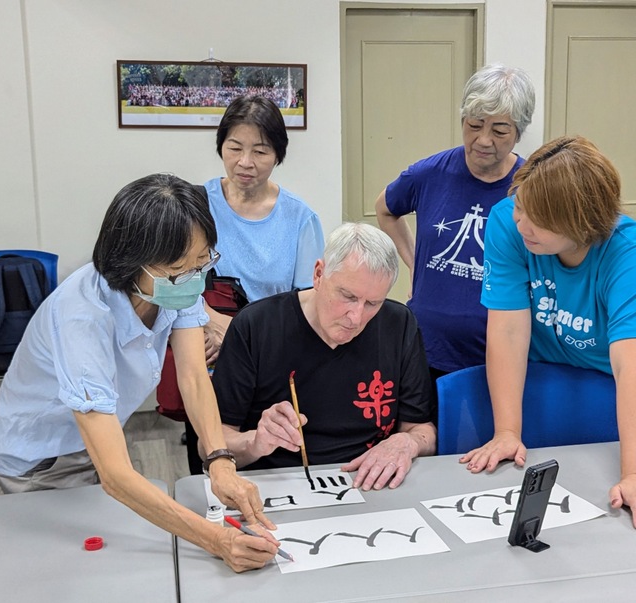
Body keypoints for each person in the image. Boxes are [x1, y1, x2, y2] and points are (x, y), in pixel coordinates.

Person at [0, 173, 280, 571]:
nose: (193, 279)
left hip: (91, 441)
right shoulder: (81, 316)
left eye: (202, 262)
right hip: (40, 461)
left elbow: (194, 377)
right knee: (71, 572)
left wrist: (220, 461)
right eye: (177, 268)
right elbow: (116, 476)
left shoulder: (173, 288)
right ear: (130, 262)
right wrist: (217, 540)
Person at [460, 136, 636, 527]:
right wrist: (507, 431)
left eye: (536, 217)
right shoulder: (508, 223)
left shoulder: (627, 252)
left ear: (581, 221)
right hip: (541, 377)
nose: (520, 222)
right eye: (519, 205)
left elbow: (630, 365)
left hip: (610, 388)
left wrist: (633, 474)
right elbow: (507, 332)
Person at [211, 222, 436, 490]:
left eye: (372, 303)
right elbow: (212, 443)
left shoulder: (398, 324)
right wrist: (255, 442)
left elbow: (422, 430)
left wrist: (407, 442)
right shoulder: (257, 326)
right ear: (319, 274)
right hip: (278, 483)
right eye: (348, 296)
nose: (356, 318)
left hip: (369, 482)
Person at [375, 64, 536, 409]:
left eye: (499, 130)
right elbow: (385, 209)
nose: (483, 140)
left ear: (519, 132)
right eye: (474, 125)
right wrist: (415, 264)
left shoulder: (533, 186)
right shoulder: (430, 173)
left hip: (500, 358)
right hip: (427, 351)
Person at [180, 94, 325, 474]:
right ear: (221, 147)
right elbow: (173, 278)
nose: (245, 162)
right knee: (207, 464)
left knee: (268, 462)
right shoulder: (194, 205)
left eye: (260, 151)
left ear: (278, 154)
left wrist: (237, 335)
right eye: (235, 148)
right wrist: (207, 320)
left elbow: (307, 303)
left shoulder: (300, 218)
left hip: (268, 366)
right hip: (205, 360)